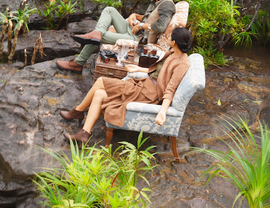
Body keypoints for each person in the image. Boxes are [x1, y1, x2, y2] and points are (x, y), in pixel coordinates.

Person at [59, 27, 193, 144]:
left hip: (149, 93)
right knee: (99, 93)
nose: (168, 37)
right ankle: (84, 134)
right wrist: (138, 69)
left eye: (170, 36)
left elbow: (170, 89)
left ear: (174, 42)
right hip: (145, 84)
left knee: (101, 81)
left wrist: (162, 112)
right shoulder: (173, 53)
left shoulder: (182, 63)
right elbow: (159, 73)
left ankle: (78, 111)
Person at [56, 0, 177, 73]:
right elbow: (150, 17)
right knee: (109, 10)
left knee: (99, 38)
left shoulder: (167, 5)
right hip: (133, 30)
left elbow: (160, 26)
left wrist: (141, 25)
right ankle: (96, 33)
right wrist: (134, 15)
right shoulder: (160, 1)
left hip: (139, 38)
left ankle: (78, 63)